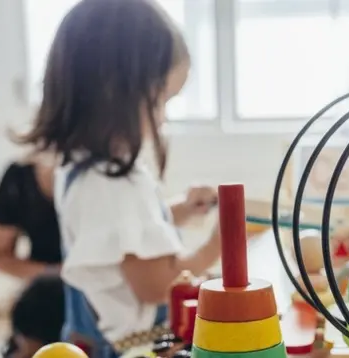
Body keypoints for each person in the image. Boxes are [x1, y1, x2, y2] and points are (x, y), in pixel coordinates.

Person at [16, 0, 222, 357]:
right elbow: (158, 284)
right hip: (136, 349)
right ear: (115, 91)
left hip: (94, 339)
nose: (162, 120)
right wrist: (219, 243)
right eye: (160, 100)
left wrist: (182, 210)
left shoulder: (81, 168)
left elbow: (118, 240)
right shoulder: (115, 183)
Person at [0, 154, 64, 358]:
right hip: (43, 301)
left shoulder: (116, 177)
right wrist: (55, 274)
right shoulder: (20, 177)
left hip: (103, 301)